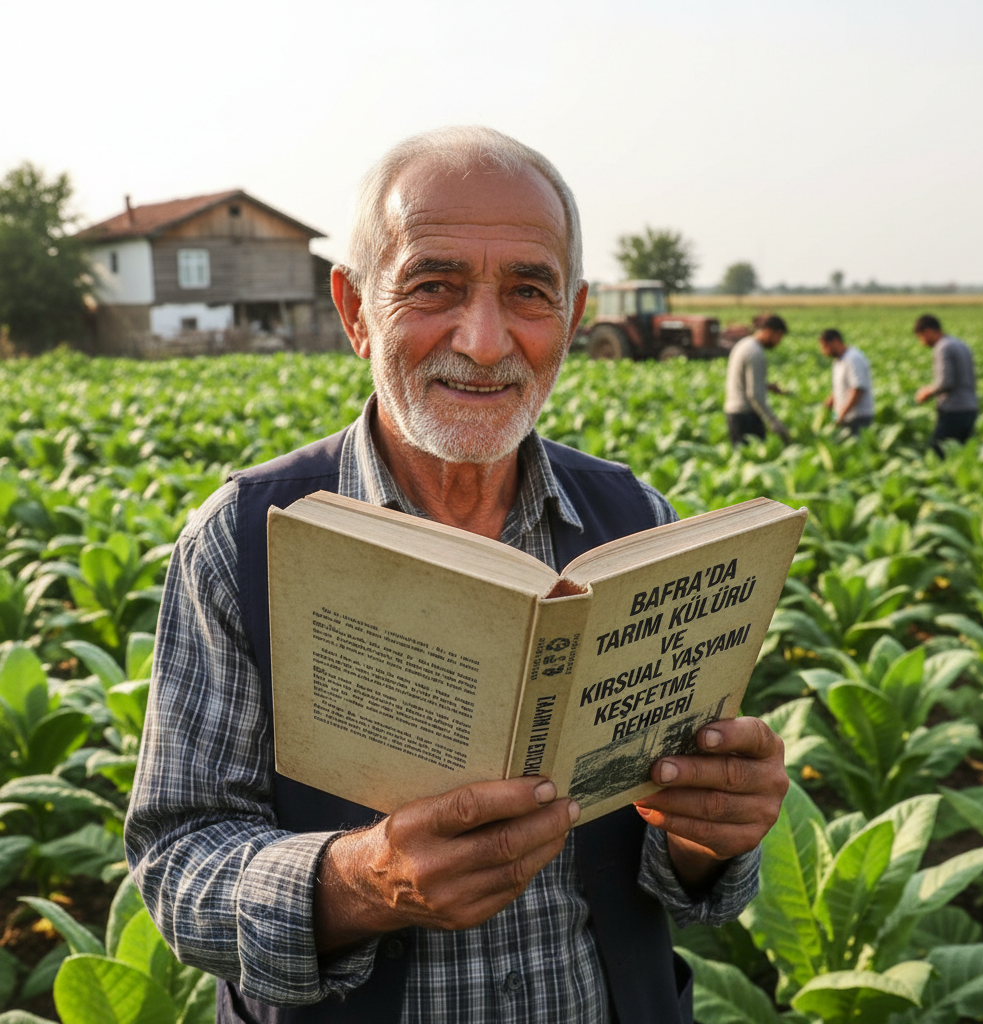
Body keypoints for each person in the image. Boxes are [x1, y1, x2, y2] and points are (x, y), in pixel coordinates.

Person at [125, 127, 788, 1024]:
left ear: (573, 319)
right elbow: (176, 862)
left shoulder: (640, 524)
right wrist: (361, 882)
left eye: (528, 292)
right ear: (356, 311)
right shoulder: (242, 539)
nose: (482, 342)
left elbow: (687, 881)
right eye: (433, 286)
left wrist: (714, 832)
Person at [912, 313, 978, 456]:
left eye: (921, 337)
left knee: (937, 453)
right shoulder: (961, 344)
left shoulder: (943, 348)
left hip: (954, 410)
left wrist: (926, 392)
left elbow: (945, 382)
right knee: (961, 455)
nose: (922, 342)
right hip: (970, 408)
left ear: (928, 331)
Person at [723, 314, 791, 446]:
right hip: (746, 415)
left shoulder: (744, 344)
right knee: (753, 455)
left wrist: (766, 386)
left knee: (741, 455)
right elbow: (754, 394)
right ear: (769, 331)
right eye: (779, 337)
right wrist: (773, 422)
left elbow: (743, 380)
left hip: (734, 412)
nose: (778, 342)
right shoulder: (755, 353)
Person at [818, 328, 874, 434]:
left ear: (835, 342)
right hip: (846, 418)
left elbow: (858, 390)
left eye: (825, 346)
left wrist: (842, 414)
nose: (823, 351)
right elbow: (841, 388)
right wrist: (830, 401)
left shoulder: (853, 359)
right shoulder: (838, 361)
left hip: (858, 418)